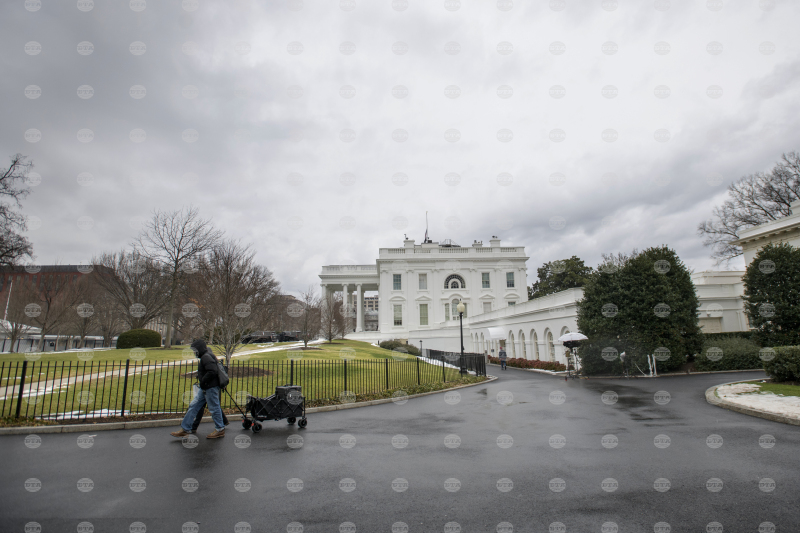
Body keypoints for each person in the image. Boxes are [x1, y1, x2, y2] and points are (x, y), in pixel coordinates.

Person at [170, 339, 226, 439]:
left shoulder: (206, 357)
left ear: (199, 349)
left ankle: (220, 429)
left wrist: (203, 380)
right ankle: (185, 428)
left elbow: (212, 371)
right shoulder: (206, 356)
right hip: (206, 387)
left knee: (214, 408)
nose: (194, 352)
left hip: (210, 387)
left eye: (195, 350)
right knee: (194, 405)